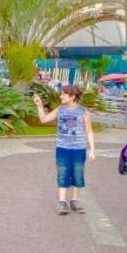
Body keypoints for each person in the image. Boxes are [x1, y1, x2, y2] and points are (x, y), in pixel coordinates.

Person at [33, 85, 96, 215]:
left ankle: (74, 200)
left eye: (63, 94)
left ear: (72, 96)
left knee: (78, 173)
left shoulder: (83, 111)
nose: (60, 96)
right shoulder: (60, 110)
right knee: (63, 172)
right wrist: (39, 106)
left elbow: (89, 131)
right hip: (62, 148)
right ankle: (62, 202)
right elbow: (44, 120)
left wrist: (92, 149)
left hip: (79, 148)